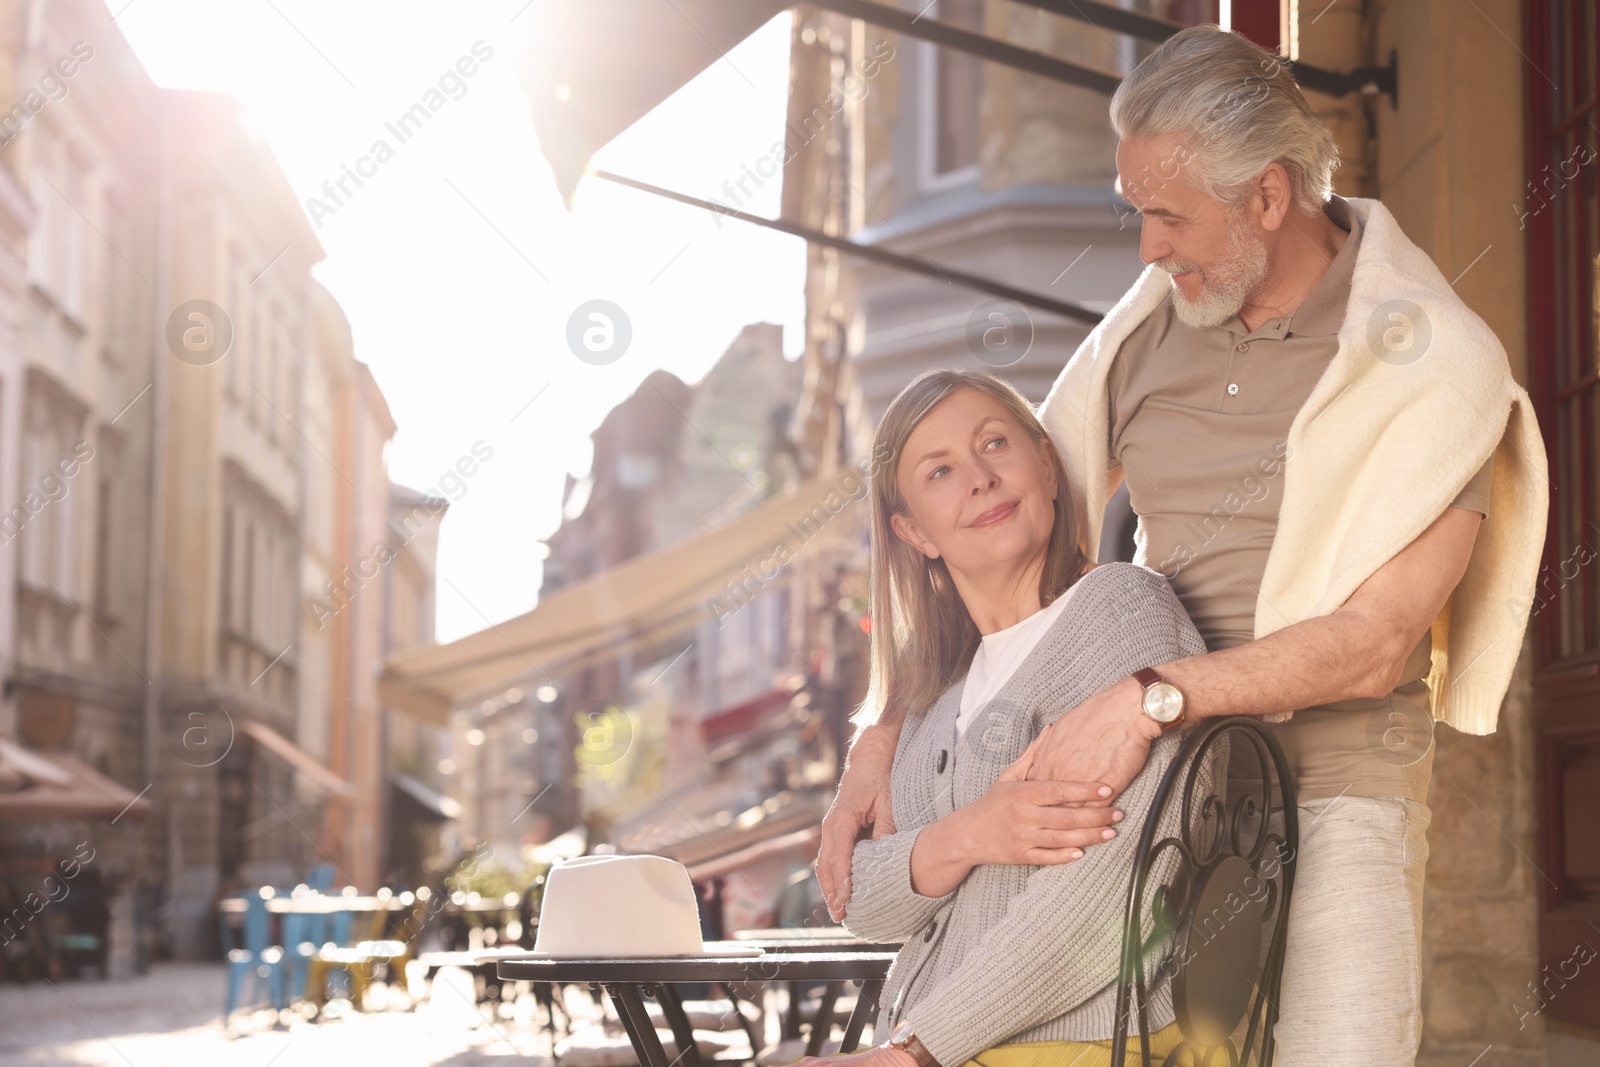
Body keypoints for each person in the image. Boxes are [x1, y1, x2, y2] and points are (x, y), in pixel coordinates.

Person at [815, 25, 1548, 1067]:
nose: (1146, 248)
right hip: (1154, 803)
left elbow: (1376, 642)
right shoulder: (1150, 329)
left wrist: (1149, 695)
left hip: (1336, 788)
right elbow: (999, 527)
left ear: (1267, 196)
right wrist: (880, 734)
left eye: (1166, 215)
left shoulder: (1433, 364)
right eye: (1138, 214)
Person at [800, 367, 1218, 1067]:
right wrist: (968, 834)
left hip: (1082, 1042)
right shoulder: (936, 690)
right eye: (940, 471)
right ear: (913, 532)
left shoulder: (1119, 611)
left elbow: (1111, 892)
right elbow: (866, 904)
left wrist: (914, 1051)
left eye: (995, 443)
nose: (980, 477)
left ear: (1046, 468)